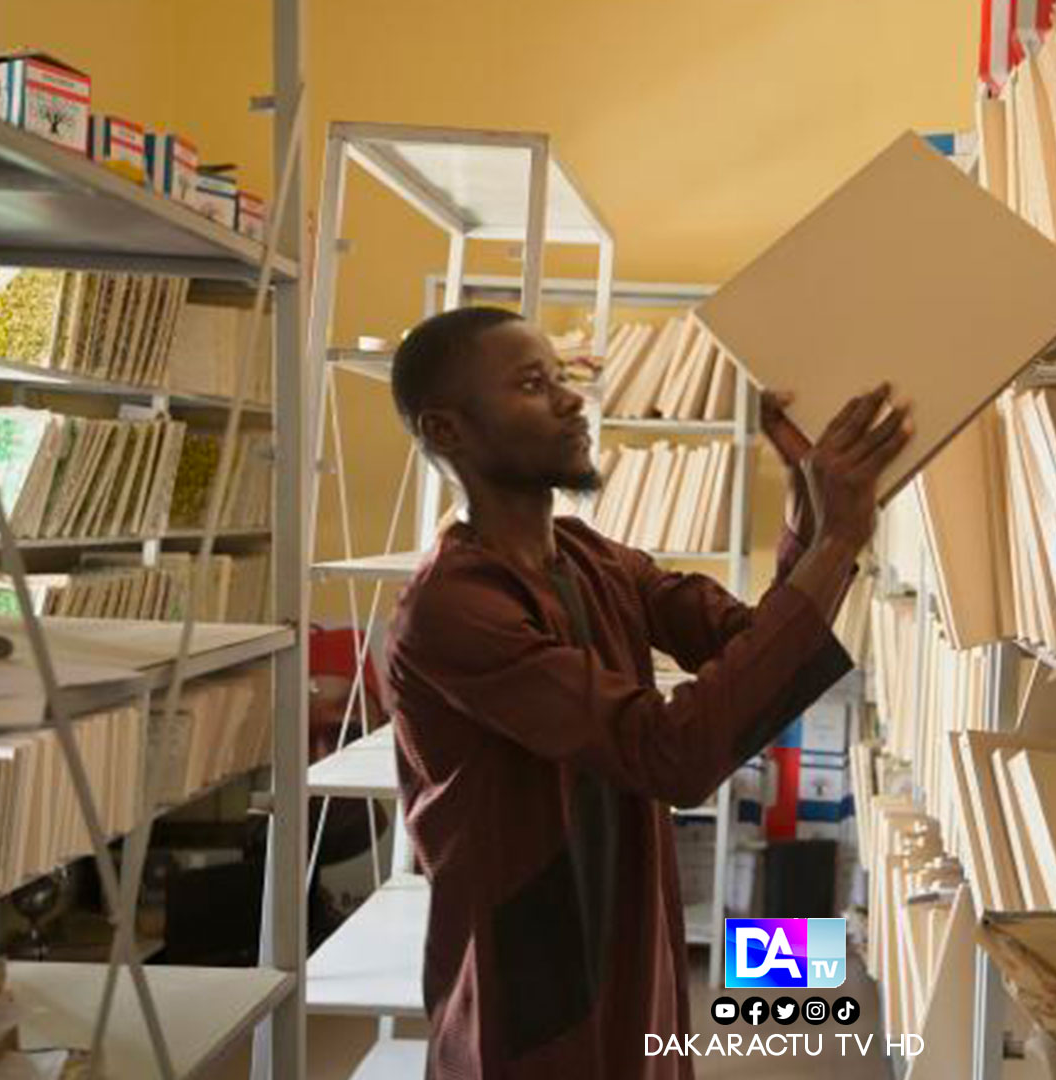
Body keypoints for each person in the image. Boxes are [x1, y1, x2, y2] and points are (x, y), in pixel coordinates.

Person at [382, 305, 910, 1079]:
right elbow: (670, 753)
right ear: (447, 430)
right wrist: (836, 543)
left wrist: (806, 500)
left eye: (565, 380)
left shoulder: (594, 558)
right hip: (530, 975)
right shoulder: (452, 606)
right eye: (534, 384)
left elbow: (747, 644)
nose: (570, 401)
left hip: (627, 930)